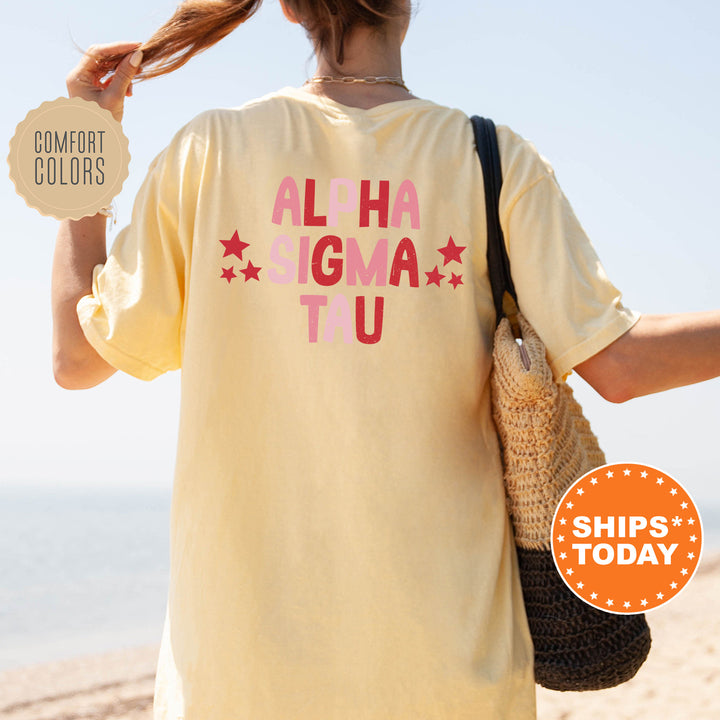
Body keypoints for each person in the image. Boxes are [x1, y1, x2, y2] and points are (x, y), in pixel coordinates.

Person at [52, 1, 720, 719]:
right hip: (450, 666)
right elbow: (620, 366)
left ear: (286, 8)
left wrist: (86, 142)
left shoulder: (210, 150)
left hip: (238, 674)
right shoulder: (491, 159)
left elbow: (76, 359)